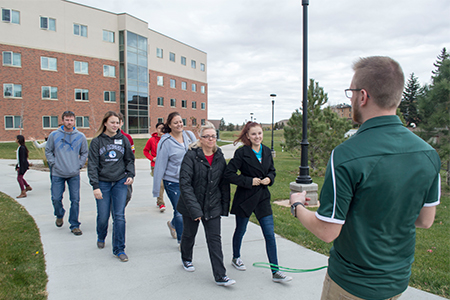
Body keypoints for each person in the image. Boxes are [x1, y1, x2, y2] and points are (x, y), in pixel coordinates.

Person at [289, 56, 441, 300]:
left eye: (351, 93)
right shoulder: (429, 154)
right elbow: (425, 220)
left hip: (350, 286)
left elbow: (328, 231)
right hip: (397, 282)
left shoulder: (346, 154)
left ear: (362, 96)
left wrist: (297, 206)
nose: (350, 100)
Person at [225, 121, 292, 283]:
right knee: (241, 230)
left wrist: (269, 178)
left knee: (269, 234)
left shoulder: (267, 151)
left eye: (260, 133)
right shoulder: (242, 153)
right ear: (247, 136)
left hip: (262, 198)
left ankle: (276, 272)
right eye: (253, 134)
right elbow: (229, 174)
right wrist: (249, 181)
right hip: (245, 199)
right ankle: (236, 257)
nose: (257, 137)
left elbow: (272, 171)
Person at [177, 122, 235, 286]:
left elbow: (223, 183)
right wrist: (195, 210)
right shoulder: (191, 156)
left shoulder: (219, 156)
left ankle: (220, 275)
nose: (210, 139)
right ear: (200, 139)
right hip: (191, 205)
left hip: (212, 205)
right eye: (207, 136)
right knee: (189, 235)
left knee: (214, 240)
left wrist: (224, 207)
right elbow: (185, 184)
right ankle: (186, 258)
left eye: (213, 136)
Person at [87, 111, 135, 262]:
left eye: (117, 122)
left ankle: (119, 249)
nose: (115, 125)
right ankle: (101, 236)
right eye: (112, 122)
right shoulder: (97, 142)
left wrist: (130, 175)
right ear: (105, 123)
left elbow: (129, 159)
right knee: (103, 216)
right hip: (103, 183)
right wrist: (95, 186)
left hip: (120, 182)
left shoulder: (124, 140)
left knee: (119, 216)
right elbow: (92, 165)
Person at [152, 112, 196, 246]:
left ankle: (172, 225)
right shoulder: (165, 141)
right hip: (172, 181)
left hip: (189, 180)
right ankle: (181, 242)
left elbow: (197, 155)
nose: (179, 124)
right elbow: (160, 164)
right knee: (180, 212)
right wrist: (156, 190)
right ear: (169, 125)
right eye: (175, 122)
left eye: (180, 121)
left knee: (187, 210)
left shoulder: (189, 136)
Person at [45, 111, 88, 236]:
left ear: (74, 121)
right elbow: (48, 151)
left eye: (71, 120)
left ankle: (74, 225)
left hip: (73, 173)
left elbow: (85, 152)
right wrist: (54, 164)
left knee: (75, 200)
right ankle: (59, 214)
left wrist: (79, 165)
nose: (69, 122)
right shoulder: (54, 135)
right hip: (57, 173)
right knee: (56, 198)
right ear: (63, 120)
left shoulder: (80, 136)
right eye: (67, 120)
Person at [143, 122, 166, 212]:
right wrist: (152, 159)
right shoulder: (152, 140)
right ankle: (161, 203)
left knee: (163, 185)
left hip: (166, 166)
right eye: (159, 128)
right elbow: (145, 151)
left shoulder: (167, 139)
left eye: (163, 128)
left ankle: (158, 200)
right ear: (156, 129)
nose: (161, 130)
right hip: (155, 166)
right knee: (160, 184)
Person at [117, 113, 135, 207]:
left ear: (122, 123)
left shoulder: (127, 137)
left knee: (127, 195)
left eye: (118, 122)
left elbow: (132, 155)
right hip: (111, 173)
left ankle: (119, 209)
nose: (116, 125)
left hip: (125, 172)